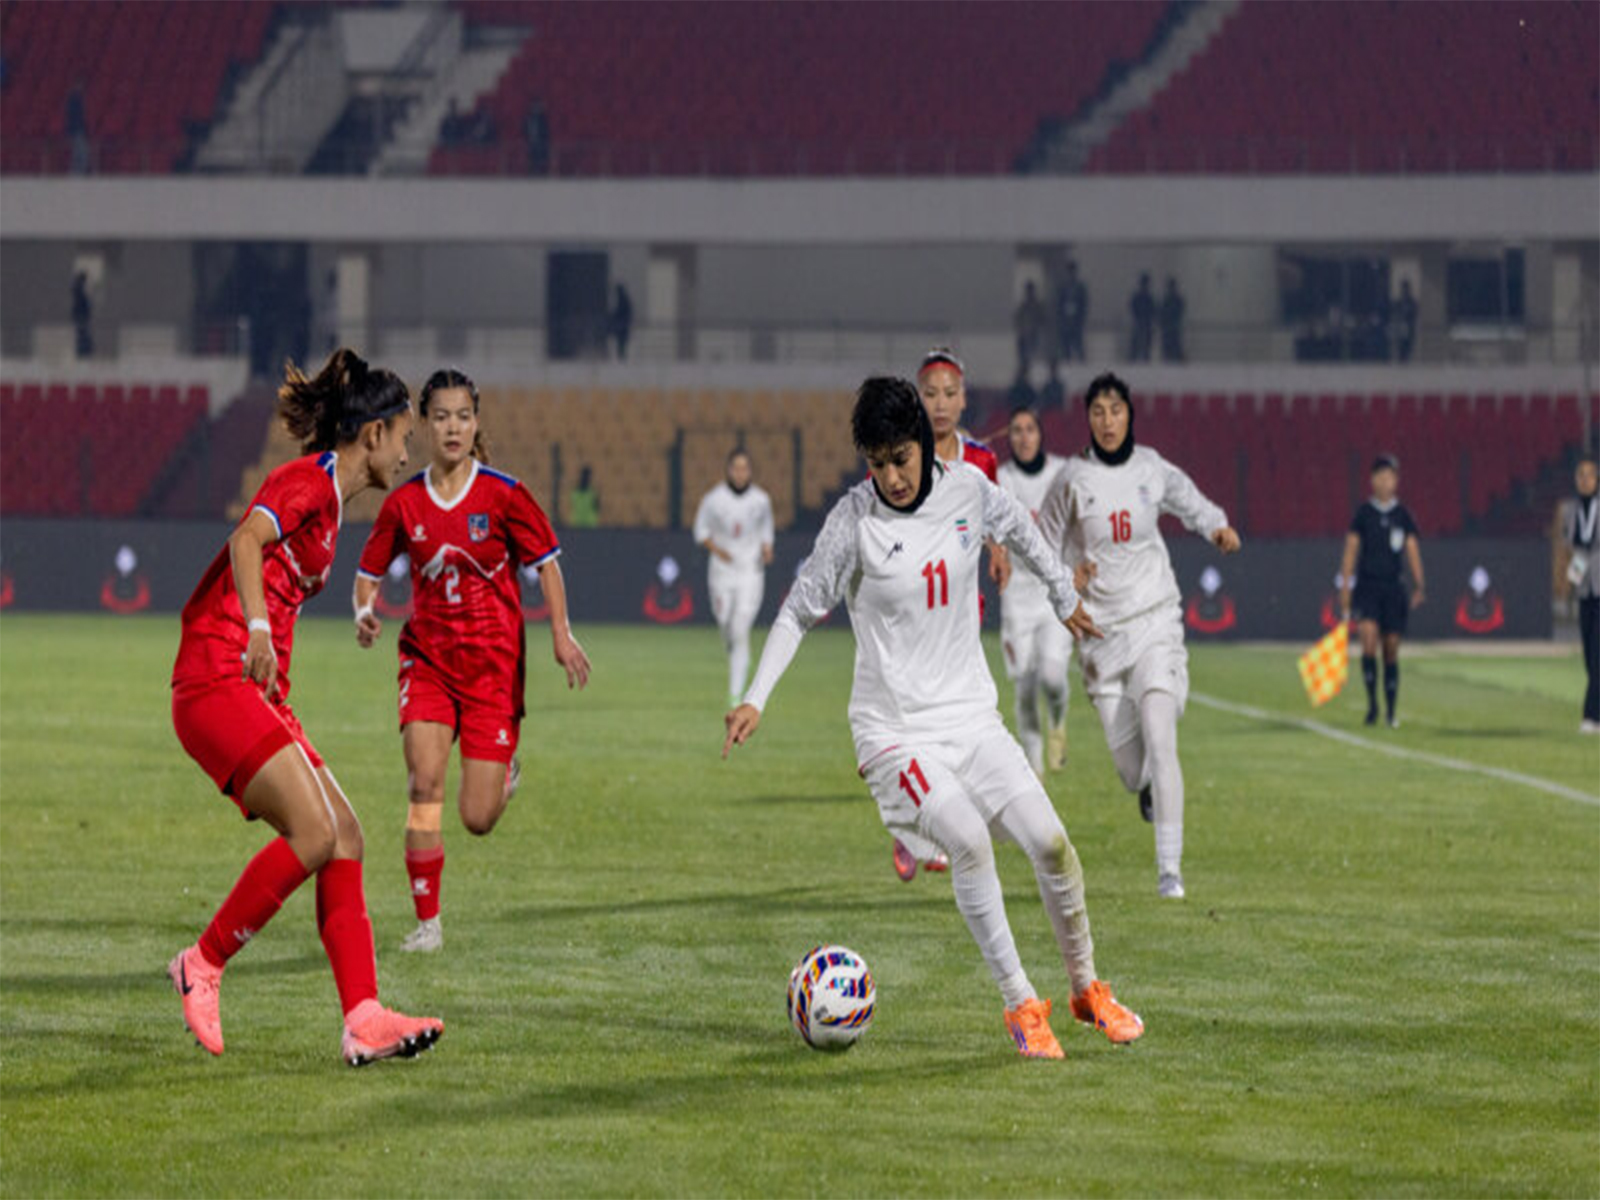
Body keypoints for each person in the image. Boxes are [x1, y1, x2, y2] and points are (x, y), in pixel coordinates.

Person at [723, 376, 1144, 1059]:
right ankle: (1020, 1006)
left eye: (901, 458)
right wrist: (755, 696)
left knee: (1054, 847)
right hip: (894, 735)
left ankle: (1086, 990)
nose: (890, 475)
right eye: (877, 462)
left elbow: (1025, 534)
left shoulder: (969, 492)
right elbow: (801, 608)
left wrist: (1064, 596)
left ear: (924, 442)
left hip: (973, 722)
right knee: (968, 841)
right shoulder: (852, 522)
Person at [168, 347, 443, 1066]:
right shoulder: (310, 482)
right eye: (404, 436)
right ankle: (203, 962)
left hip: (253, 687)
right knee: (316, 833)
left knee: (345, 834)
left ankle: (363, 1019)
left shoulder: (332, 501)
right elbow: (245, 541)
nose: (408, 452)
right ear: (373, 433)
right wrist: (258, 629)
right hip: (216, 674)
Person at [354, 367, 591, 954]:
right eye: (440, 417)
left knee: (477, 818)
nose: (452, 427)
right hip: (428, 662)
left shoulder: (505, 494)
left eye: (463, 416)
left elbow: (549, 564)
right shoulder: (404, 504)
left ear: (476, 422)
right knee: (423, 780)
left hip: (493, 672)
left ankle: (502, 778)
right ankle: (427, 923)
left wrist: (561, 635)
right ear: (425, 425)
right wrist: (364, 610)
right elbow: (367, 574)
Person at [1038, 372, 1242, 900]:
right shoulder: (1071, 478)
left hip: (1155, 616)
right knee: (1132, 774)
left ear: (1130, 414)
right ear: (1088, 418)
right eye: (1098, 411)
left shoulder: (1152, 467)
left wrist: (1216, 526)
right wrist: (1068, 577)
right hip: (1103, 636)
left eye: (1116, 409)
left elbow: (1190, 500)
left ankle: (1169, 872)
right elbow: (1042, 546)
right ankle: (1148, 788)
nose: (1108, 421)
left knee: (1160, 729)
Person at [997, 407, 1073, 776]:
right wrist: (996, 551)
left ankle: (1058, 721)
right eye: (1016, 431)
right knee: (1025, 687)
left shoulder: (1061, 472)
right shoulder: (1002, 478)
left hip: (1054, 588)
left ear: (1041, 434)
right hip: (1017, 593)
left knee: (1052, 678)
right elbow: (990, 525)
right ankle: (1035, 768)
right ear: (1009, 437)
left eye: (1030, 429)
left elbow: (1080, 523)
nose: (1023, 437)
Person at [1338, 455, 1425, 729]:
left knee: (1390, 649)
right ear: (1372, 480)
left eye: (1391, 477)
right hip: (1367, 587)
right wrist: (1345, 587)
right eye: (1382, 476)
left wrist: (1419, 584)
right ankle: (1372, 706)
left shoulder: (1403, 515)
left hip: (1393, 589)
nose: (1387, 481)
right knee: (1368, 641)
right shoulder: (1363, 514)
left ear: (1396, 481)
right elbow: (1351, 550)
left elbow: (1412, 550)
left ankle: (1390, 710)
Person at [693, 449, 775, 707]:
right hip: (721, 571)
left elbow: (766, 530)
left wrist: (766, 548)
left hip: (750, 571)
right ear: (728, 470)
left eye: (744, 468)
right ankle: (738, 653)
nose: (740, 473)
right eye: (736, 468)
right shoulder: (714, 499)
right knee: (725, 622)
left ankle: (735, 695)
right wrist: (718, 551)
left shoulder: (761, 500)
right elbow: (700, 531)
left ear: (750, 471)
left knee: (740, 627)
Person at [1557, 454, 1599, 732]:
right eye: (1580, 476)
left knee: (1598, 653)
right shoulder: (1571, 511)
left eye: (1589, 475)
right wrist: (1568, 582)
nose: (1584, 480)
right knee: (1588, 654)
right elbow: (1572, 550)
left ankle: (1590, 715)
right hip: (1585, 588)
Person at [1054, 261, 1088, 365]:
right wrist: (1061, 318)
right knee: (1065, 347)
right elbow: (1058, 303)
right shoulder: (1062, 287)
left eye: (1072, 271)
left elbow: (1084, 304)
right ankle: (1067, 364)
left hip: (1076, 321)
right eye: (1069, 271)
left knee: (1078, 345)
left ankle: (1081, 365)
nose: (1071, 274)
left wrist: (1080, 318)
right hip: (1065, 322)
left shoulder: (1080, 287)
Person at [1013, 282, 1046, 382]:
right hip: (1024, 336)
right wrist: (1022, 330)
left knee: (1033, 355)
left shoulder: (1037, 306)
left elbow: (1042, 319)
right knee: (1023, 356)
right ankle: (1024, 369)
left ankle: (1030, 369)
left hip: (1034, 335)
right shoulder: (1023, 306)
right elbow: (1018, 319)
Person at [1158, 277, 1186, 363]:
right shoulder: (1170, 300)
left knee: (1173, 345)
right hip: (1169, 327)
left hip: (1172, 327)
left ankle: (1173, 359)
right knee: (1170, 346)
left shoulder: (1172, 300)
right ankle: (1171, 359)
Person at [1128, 274, 1155, 361]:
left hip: (1144, 322)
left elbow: (1132, 307)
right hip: (1142, 322)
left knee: (1144, 344)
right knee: (1139, 343)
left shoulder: (1142, 297)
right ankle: (1137, 357)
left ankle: (1138, 358)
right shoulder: (1148, 297)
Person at [1392, 280, 1418, 362]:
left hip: (1409, 328)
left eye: (1406, 288)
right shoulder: (1398, 302)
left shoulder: (1412, 302)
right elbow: (1395, 315)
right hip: (1399, 328)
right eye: (1403, 289)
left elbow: (1415, 314)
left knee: (1408, 348)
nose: (1404, 291)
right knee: (1399, 348)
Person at [71, 270, 92, 359]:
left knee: (82, 333)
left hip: (81, 315)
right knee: (82, 333)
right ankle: (83, 351)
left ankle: (84, 351)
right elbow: (80, 303)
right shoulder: (79, 291)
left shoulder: (79, 291)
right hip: (81, 315)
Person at [609, 284, 634, 361]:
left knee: (621, 342)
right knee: (621, 342)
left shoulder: (622, 300)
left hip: (622, 324)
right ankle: (621, 356)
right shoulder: (624, 299)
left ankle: (621, 356)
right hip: (623, 324)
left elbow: (621, 312)